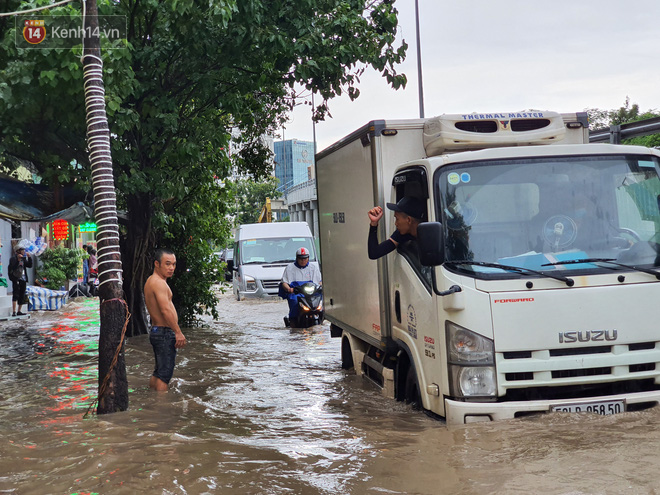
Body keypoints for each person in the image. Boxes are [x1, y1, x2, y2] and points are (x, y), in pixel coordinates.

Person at [144, 248, 187, 391]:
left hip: (157, 330)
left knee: (158, 372)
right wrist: (178, 332)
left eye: (174, 264)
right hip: (164, 332)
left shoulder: (151, 281)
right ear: (157, 264)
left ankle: (152, 400)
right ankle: (161, 407)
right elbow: (165, 310)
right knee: (164, 375)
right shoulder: (159, 283)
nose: (171, 268)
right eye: (167, 264)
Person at [280, 247, 322, 325]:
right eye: (301, 259)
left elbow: (319, 281)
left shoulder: (313, 268)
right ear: (297, 258)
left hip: (311, 293)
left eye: (305, 259)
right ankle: (293, 321)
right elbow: (284, 282)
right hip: (296, 293)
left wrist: (320, 287)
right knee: (294, 302)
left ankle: (321, 318)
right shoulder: (290, 268)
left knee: (320, 303)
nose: (303, 261)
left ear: (308, 258)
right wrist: (289, 289)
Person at [8, 246, 33, 317]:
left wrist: (29, 258)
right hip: (16, 279)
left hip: (23, 279)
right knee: (16, 294)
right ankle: (14, 311)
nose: (24, 252)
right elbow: (12, 268)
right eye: (22, 251)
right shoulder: (13, 259)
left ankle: (19, 311)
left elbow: (29, 265)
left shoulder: (23, 259)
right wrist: (18, 261)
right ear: (18, 251)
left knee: (22, 294)